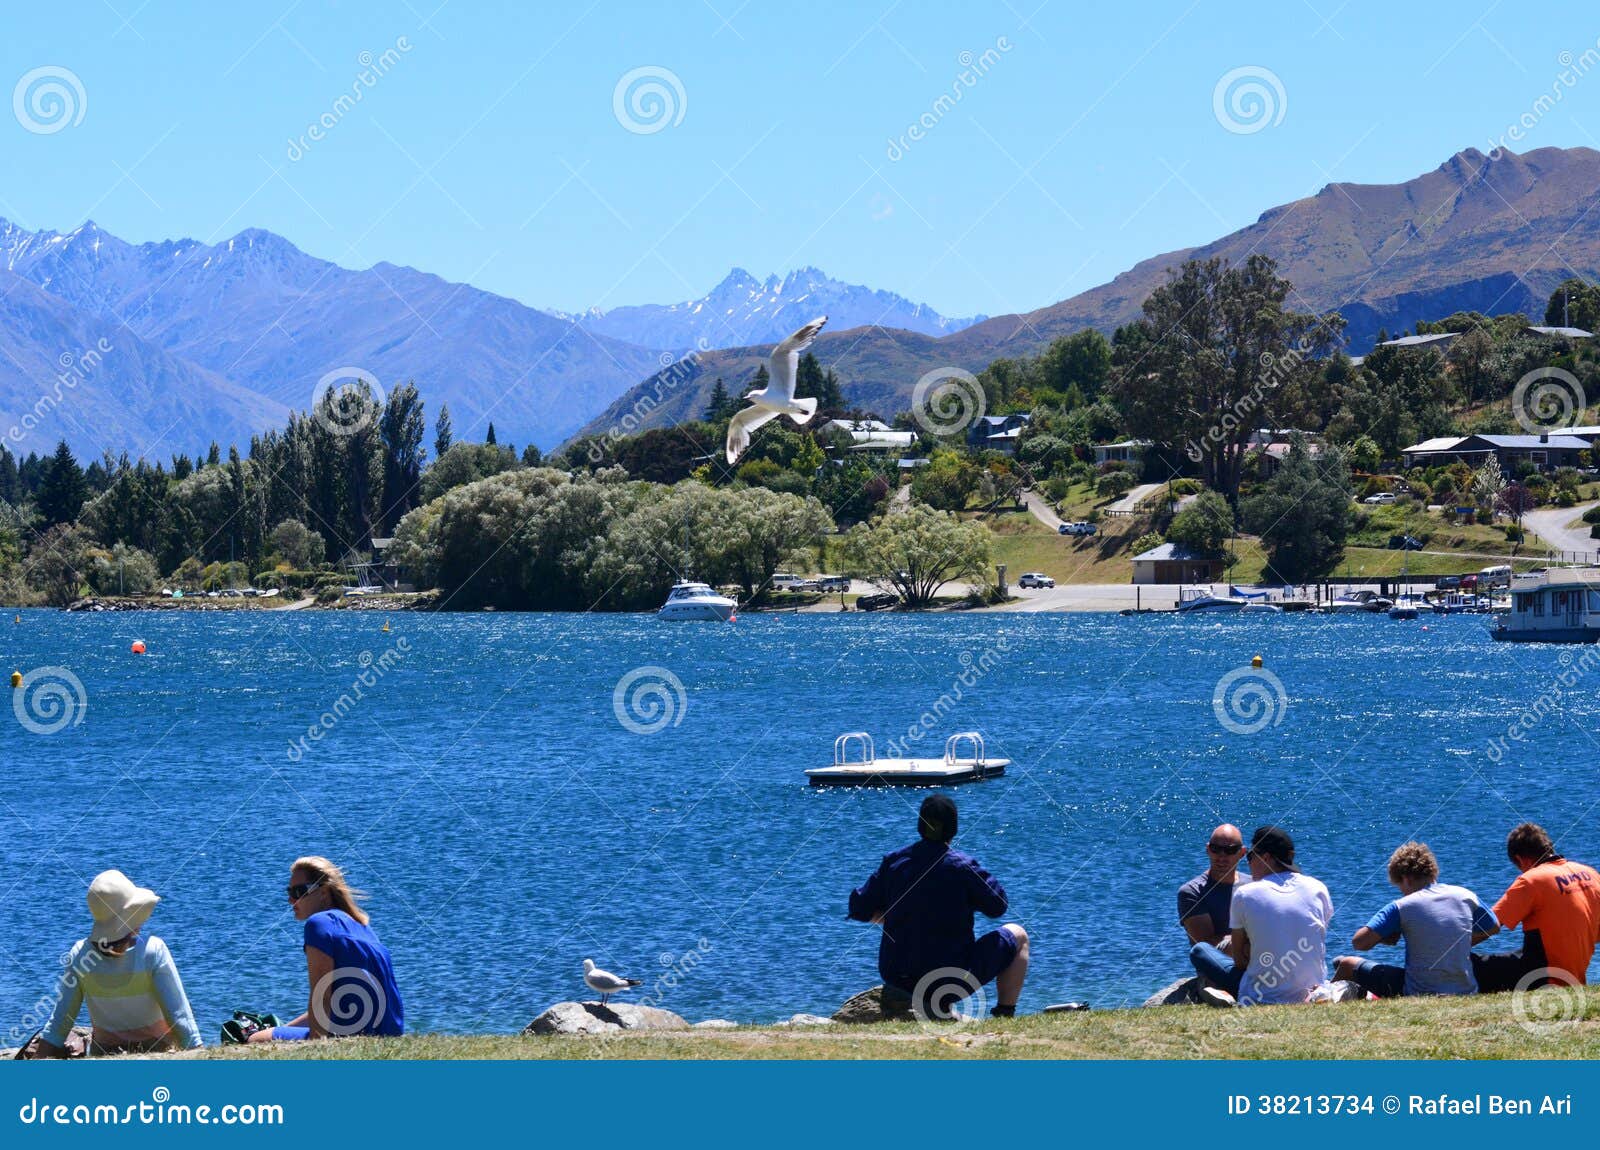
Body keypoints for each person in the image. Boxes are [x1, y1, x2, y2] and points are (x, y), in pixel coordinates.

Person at [847, 794, 1029, 1018]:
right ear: (953, 829)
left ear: (919, 826)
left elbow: (857, 908)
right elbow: (998, 907)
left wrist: (890, 916)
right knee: (1018, 935)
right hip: (949, 981)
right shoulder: (963, 866)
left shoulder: (894, 862)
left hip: (897, 977)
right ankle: (1004, 1012)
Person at [36, 870, 203, 1056]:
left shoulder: (80, 954)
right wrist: (197, 1050)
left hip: (104, 1054)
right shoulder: (152, 950)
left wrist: (39, 1062)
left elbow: (60, 1022)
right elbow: (179, 1017)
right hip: (158, 1051)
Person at [250, 856, 404, 1042]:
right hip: (386, 1034)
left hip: (349, 1034)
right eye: (289, 892)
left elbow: (322, 995)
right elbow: (338, 1004)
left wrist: (317, 1045)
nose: (291, 900)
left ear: (323, 893)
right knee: (276, 1031)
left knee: (255, 1039)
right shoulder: (364, 928)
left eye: (299, 891)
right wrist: (284, 1029)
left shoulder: (319, 924)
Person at [1332, 841, 1498, 997]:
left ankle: (1316, 1002)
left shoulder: (1401, 906)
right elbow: (1493, 927)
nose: (1402, 893)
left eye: (1400, 887)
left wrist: (1382, 939)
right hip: (1465, 989)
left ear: (1406, 879)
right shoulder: (1466, 896)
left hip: (1417, 990)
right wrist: (1452, 944)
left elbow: (1359, 943)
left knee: (1344, 963)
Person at [1189, 826, 1332, 1006]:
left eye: (1250, 857)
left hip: (1261, 995)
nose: (1248, 864)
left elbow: (1240, 962)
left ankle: (1223, 992)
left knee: (1200, 950)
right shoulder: (1318, 888)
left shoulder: (1245, 893)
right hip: (1313, 988)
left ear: (1265, 858)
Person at [1474, 823, 1600, 992]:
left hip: (1544, 977)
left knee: (1469, 963)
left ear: (1520, 859)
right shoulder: (1591, 874)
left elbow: (1490, 925)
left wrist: (1450, 949)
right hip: (1574, 974)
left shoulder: (1531, 880)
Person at [1178, 824, 1249, 949]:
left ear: (1242, 853)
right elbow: (1205, 947)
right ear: (1208, 849)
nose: (1221, 856)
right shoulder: (1192, 892)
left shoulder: (1254, 886)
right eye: (1215, 849)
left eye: (1230, 850)